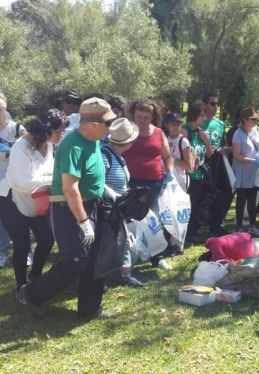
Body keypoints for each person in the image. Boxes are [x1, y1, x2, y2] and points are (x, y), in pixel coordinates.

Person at [19, 97, 118, 318]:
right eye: (108, 123)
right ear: (93, 123)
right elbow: (70, 189)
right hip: (69, 208)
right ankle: (32, 294)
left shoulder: (93, 141)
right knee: (75, 262)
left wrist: (106, 191)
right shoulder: (72, 145)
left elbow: (92, 177)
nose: (110, 128)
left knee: (94, 259)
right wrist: (84, 222)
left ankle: (90, 308)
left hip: (92, 204)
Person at [0, 109, 67, 303]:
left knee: (47, 239)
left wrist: (52, 179)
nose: (61, 135)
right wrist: (55, 180)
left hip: (36, 200)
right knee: (22, 243)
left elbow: (50, 171)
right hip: (10, 198)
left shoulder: (51, 144)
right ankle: (21, 287)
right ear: (46, 130)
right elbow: (22, 182)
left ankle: (34, 276)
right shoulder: (21, 146)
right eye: (59, 132)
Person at [122, 99, 174, 270]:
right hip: (130, 182)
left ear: (153, 117)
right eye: (139, 116)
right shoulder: (126, 130)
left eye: (146, 117)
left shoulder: (159, 133)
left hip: (155, 181)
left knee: (153, 218)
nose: (142, 120)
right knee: (130, 219)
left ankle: (157, 256)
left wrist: (170, 174)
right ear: (133, 115)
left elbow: (167, 156)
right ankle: (129, 255)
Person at [101, 118, 145, 287]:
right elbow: (99, 182)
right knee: (108, 243)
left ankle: (124, 274)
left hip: (119, 208)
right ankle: (101, 278)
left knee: (124, 239)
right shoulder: (105, 155)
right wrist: (113, 196)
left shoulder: (117, 156)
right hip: (108, 208)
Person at [0, 98, 27, 268]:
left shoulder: (16, 128)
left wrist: (12, 151)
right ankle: (2, 252)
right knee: (1, 217)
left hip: (15, 180)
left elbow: (29, 149)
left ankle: (26, 251)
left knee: (21, 214)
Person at [231, 107, 259, 236]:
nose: (256, 121)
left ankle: (253, 225)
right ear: (245, 120)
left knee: (252, 200)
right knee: (241, 199)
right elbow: (236, 156)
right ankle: (239, 226)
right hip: (242, 171)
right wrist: (252, 161)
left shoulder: (257, 130)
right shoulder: (238, 134)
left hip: (255, 172)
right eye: (253, 119)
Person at [182, 102, 212, 244]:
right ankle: (187, 231)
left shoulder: (201, 132)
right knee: (189, 203)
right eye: (202, 115)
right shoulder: (185, 131)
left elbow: (210, 154)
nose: (205, 118)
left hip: (200, 174)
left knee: (198, 203)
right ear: (194, 115)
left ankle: (194, 229)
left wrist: (206, 141)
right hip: (188, 175)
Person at [201, 93, 228, 234]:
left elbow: (225, 144)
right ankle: (199, 222)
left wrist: (224, 148)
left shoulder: (220, 124)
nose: (216, 106)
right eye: (212, 103)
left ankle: (215, 223)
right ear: (204, 104)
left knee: (217, 193)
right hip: (201, 162)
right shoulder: (198, 122)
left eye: (217, 104)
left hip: (216, 162)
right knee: (200, 194)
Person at [166, 112, 193, 193]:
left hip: (180, 181)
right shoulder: (166, 139)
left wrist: (170, 159)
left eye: (178, 124)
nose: (176, 127)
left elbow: (188, 165)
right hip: (168, 179)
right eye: (173, 124)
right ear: (167, 125)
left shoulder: (183, 141)